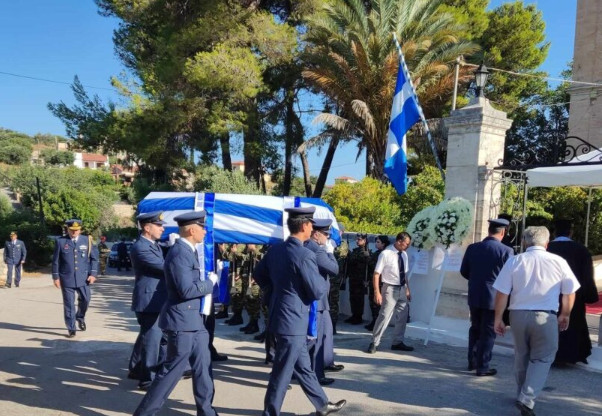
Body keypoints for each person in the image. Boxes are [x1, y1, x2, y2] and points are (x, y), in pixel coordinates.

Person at [253, 207, 346, 416]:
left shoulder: (275, 250)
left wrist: (276, 291)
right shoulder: (305, 255)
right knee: (281, 372)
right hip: (293, 320)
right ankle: (270, 412)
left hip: (282, 315)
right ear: (304, 226)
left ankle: (322, 404)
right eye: (311, 224)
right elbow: (317, 290)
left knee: (303, 366)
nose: (312, 228)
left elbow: (258, 274)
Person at [134, 210, 219, 416]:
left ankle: (207, 411)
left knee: (203, 366)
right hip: (182, 321)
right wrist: (210, 283)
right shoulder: (180, 252)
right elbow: (186, 290)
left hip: (194, 320)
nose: (205, 232)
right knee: (171, 371)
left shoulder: (187, 250)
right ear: (191, 230)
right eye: (202, 228)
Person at [493, 226, 580, 416]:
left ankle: (521, 394)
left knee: (521, 356)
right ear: (547, 243)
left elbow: (502, 292)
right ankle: (527, 398)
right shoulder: (559, 261)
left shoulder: (515, 260)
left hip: (518, 315)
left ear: (525, 242)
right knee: (543, 358)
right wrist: (565, 314)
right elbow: (569, 291)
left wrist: (498, 318)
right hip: (545, 315)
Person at [460, 218, 513, 376]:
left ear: (489, 231)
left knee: (475, 328)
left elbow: (464, 271)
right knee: (488, 332)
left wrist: (476, 280)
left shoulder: (473, 247)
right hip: (494, 297)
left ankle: (472, 361)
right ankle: (482, 366)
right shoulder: (507, 251)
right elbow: (510, 276)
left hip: (474, 293)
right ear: (503, 232)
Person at [547, 219, 599, 364]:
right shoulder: (581, 250)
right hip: (574, 296)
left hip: (549, 295)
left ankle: (551, 355)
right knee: (573, 326)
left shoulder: (547, 248)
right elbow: (587, 275)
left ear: (554, 233)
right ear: (570, 232)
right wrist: (589, 295)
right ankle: (571, 356)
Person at [128, 211, 168, 390]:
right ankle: (147, 380)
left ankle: (136, 369)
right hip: (149, 300)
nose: (162, 228)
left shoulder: (153, 245)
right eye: (158, 225)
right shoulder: (140, 247)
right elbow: (163, 268)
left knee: (148, 337)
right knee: (152, 341)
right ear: (146, 227)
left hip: (156, 299)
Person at [304, 218, 339, 386]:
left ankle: (314, 370)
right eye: (326, 234)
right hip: (316, 303)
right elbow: (334, 269)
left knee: (319, 337)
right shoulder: (317, 250)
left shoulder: (307, 247)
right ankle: (315, 376)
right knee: (315, 341)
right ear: (316, 234)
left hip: (317, 302)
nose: (328, 237)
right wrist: (330, 252)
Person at [367, 232, 413, 354]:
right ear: (399, 241)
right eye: (406, 244)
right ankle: (374, 342)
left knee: (403, 316)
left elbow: (404, 274)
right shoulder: (385, 254)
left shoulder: (404, 255)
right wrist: (377, 292)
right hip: (389, 288)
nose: (408, 246)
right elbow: (376, 274)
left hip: (402, 288)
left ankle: (397, 342)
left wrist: (407, 289)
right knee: (384, 316)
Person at [52, 219, 99, 338]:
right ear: (68, 229)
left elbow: (94, 259)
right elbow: (56, 261)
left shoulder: (87, 240)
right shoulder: (61, 241)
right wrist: (56, 277)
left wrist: (93, 274)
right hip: (66, 278)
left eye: (76, 230)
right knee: (69, 304)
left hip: (83, 278)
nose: (74, 232)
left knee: (86, 299)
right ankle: (71, 328)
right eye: (72, 230)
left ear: (80, 229)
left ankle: (80, 317)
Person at [365, 235, 390, 331]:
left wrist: (368, 257)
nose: (376, 244)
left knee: (377, 304)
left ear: (383, 244)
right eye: (376, 242)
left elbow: (374, 266)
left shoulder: (383, 254)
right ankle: (374, 321)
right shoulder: (377, 253)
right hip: (374, 281)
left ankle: (377, 323)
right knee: (372, 303)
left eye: (378, 242)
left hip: (380, 282)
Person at [345, 233, 371, 325]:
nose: (357, 241)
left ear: (364, 241)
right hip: (353, 278)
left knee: (358, 299)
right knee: (352, 298)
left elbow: (354, 259)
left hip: (360, 279)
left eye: (359, 239)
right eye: (357, 239)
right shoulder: (357, 251)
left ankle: (358, 317)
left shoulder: (364, 252)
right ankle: (354, 315)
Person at [239, 244, 263, 335]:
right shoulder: (247, 246)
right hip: (247, 276)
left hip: (256, 279)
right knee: (248, 300)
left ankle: (255, 324)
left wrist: (254, 250)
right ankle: (251, 322)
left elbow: (263, 257)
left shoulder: (261, 246)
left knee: (254, 300)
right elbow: (244, 259)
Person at [329, 223, 348, 334]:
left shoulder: (342, 244)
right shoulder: (330, 242)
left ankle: (333, 325)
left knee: (333, 302)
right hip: (327, 277)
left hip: (335, 278)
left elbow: (340, 255)